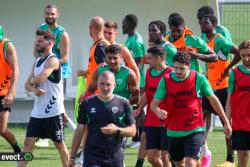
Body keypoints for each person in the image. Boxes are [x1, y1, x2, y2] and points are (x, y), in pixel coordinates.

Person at [151, 51, 232, 167]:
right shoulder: (166, 80)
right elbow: (154, 104)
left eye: (182, 68)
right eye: (176, 68)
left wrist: (226, 122)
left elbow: (213, 99)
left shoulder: (198, 78)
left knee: (190, 162)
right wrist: (157, 111)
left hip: (195, 130)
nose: (178, 71)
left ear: (188, 66)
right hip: (173, 131)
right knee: (179, 163)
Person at [19, 29, 69, 167]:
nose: (37, 44)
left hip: (53, 111)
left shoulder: (53, 60)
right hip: (37, 112)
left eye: (40, 41)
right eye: (36, 41)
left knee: (59, 144)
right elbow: (26, 85)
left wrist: (32, 84)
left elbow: (39, 78)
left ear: (50, 43)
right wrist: (33, 89)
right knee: (28, 142)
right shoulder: (37, 62)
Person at [69, 71, 136, 167]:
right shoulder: (87, 103)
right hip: (92, 157)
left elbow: (133, 131)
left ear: (114, 85)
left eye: (108, 84)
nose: (105, 88)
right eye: (102, 84)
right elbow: (79, 131)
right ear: (97, 84)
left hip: (115, 158)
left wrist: (117, 130)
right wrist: (72, 157)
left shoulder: (123, 103)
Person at [199, 14, 240, 167]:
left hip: (223, 87)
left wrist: (228, 68)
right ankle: (202, 154)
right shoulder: (204, 39)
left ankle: (230, 158)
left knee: (226, 123)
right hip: (209, 87)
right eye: (201, 22)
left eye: (205, 22)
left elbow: (236, 52)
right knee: (199, 121)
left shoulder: (220, 39)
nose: (202, 25)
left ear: (214, 24)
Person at [34, 4, 75, 147]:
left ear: (57, 15)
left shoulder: (62, 34)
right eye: (47, 13)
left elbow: (64, 58)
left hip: (58, 75)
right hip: (42, 72)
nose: (49, 16)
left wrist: (50, 64)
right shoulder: (41, 29)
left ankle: (65, 135)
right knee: (41, 101)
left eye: (52, 14)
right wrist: (41, 65)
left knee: (58, 106)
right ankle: (43, 137)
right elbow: (35, 52)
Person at [134, 45, 172, 167]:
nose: (147, 61)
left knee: (166, 157)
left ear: (159, 58)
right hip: (151, 121)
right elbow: (148, 94)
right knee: (151, 157)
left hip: (166, 121)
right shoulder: (149, 72)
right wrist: (139, 108)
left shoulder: (171, 73)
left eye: (149, 58)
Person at [122, 14, 145, 149]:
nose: (122, 26)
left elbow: (138, 63)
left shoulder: (136, 40)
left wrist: (131, 77)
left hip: (138, 81)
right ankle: (137, 138)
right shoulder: (130, 39)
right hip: (133, 80)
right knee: (136, 109)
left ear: (130, 24)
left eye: (124, 23)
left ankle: (141, 138)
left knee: (139, 109)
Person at [197, 5, 241, 76]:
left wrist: (229, 68)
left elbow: (229, 51)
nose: (200, 21)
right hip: (212, 71)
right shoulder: (204, 33)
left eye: (202, 18)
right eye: (199, 19)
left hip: (224, 72)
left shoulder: (222, 31)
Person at [226, 40, 250, 167]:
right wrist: (226, 121)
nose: (246, 58)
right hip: (240, 124)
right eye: (243, 55)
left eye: (249, 55)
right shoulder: (235, 73)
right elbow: (229, 100)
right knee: (243, 157)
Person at [0, 25, 21, 153]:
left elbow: (15, 70)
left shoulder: (7, 45)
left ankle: (18, 150)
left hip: (4, 93)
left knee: (2, 130)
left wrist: (11, 93)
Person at [77, 16, 109, 88]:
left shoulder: (100, 46)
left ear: (90, 28)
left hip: (98, 94)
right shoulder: (98, 45)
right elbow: (97, 68)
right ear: (103, 28)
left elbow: (103, 70)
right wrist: (86, 72)